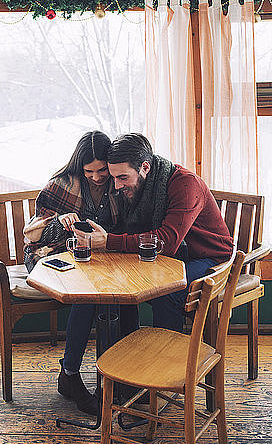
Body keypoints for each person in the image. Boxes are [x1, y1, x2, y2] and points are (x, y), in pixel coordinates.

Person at [24, 130, 139, 416]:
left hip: (100, 255)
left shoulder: (119, 183)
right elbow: (36, 236)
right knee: (87, 297)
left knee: (125, 294)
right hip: (54, 254)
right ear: (79, 166)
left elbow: (128, 223)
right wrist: (61, 223)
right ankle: (70, 375)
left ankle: (120, 376)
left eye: (102, 170)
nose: (98, 177)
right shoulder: (60, 185)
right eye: (90, 171)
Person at [75, 133, 234, 334]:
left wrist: (108, 241)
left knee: (165, 292)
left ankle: (168, 358)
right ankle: (127, 349)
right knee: (123, 279)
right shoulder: (142, 186)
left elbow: (166, 242)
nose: (116, 186)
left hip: (211, 260)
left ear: (145, 167)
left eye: (123, 177)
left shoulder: (185, 185)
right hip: (177, 258)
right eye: (113, 177)